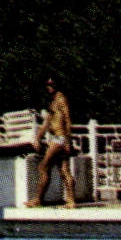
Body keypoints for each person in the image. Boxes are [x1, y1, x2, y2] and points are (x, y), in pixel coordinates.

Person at [26, 76, 77, 209]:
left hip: (60, 139)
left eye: (52, 84)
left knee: (43, 167)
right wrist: (37, 138)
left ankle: (38, 199)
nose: (49, 87)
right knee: (64, 170)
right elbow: (46, 124)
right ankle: (71, 201)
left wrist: (67, 140)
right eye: (47, 85)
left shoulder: (61, 99)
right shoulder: (52, 102)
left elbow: (67, 119)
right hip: (56, 138)